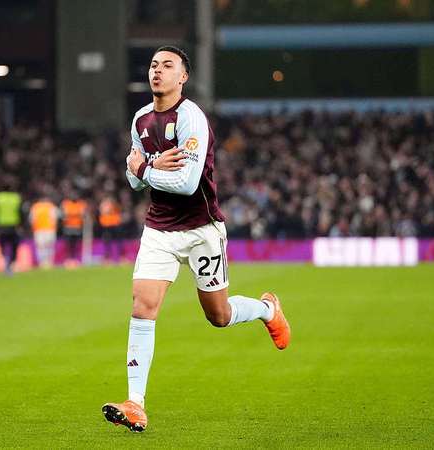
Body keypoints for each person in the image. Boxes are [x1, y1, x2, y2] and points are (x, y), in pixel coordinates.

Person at [102, 46, 291, 432]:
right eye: (153, 65)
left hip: (201, 229)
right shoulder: (140, 119)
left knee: (218, 316)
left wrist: (146, 168)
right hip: (159, 229)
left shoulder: (192, 119)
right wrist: (147, 166)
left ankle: (267, 310)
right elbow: (132, 179)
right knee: (142, 307)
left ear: (183, 77)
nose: (157, 71)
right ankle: (135, 403)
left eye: (167, 65)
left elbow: (187, 183)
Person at [0, 186, 22, 275]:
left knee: (2, 245)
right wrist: (21, 224)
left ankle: (6, 261)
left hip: (1, 225)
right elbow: (20, 211)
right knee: (14, 245)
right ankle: (10, 263)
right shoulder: (15, 198)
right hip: (13, 225)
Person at [60, 191, 87, 268]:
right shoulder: (66, 203)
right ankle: (68, 259)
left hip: (77, 227)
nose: (74, 197)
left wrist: (71, 215)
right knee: (68, 244)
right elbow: (63, 215)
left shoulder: (81, 204)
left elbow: (83, 215)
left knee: (75, 244)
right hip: (68, 227)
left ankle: (74, 259)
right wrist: (75, 215)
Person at [30, 197, 58, 269]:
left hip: (39, 229)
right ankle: (48, 262)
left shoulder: (35, 206)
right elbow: (55, 218)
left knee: (41, 247)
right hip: (49, 229)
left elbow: (32, 219)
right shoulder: (51, 206)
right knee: (48, 247)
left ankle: (42, 262)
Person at [98, 195, 123, 263]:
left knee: (117, 241)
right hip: (106, 226)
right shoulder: (103, 205)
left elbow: (118, 211)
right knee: (107, 241)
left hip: (114, 225)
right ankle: (108, 257)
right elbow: (103, 212)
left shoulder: (115, 205)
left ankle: (118, 256)